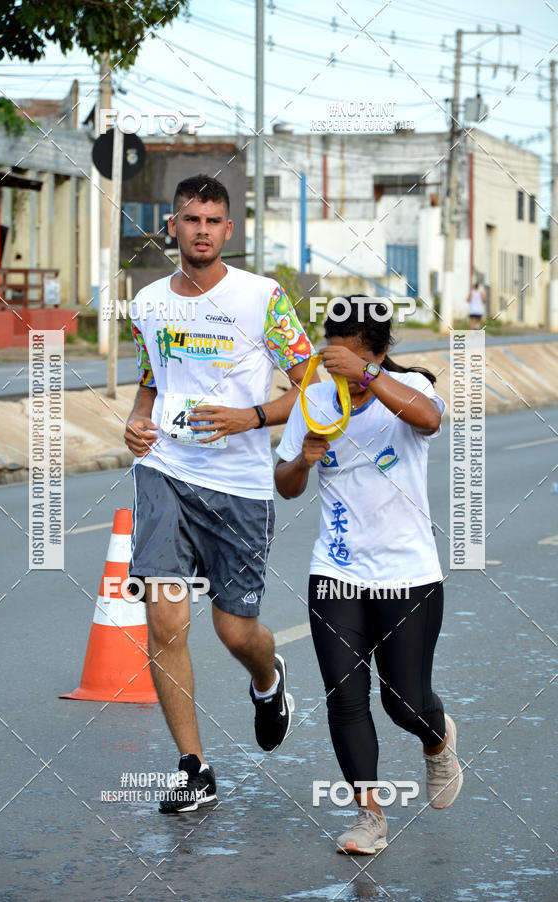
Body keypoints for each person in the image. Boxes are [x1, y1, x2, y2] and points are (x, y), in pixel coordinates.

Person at [123, 174, 315, 813]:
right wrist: (137, 417)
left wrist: (252, 418)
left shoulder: (262, 299)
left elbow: (312, 389)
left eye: (212, 220)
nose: (200, 230)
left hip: (238, 485)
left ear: (228, 230)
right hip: (165, 472)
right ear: (171, 226)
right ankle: (193, 768)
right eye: (189, 219)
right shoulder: (148, 302)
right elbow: (153, 373)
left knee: (237, 632)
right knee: (164, 618)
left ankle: (268, 679)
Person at [274, 298, 462, 854]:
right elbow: (285, 486)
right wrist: (303, 458)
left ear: (379, 354)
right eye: (339, 365)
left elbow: (431, 420)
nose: (347, 381)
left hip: (408, 574)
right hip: (336, 572)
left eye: (358, 364)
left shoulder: (411, 393)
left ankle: (437, 739)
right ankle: (368, 816)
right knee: (345, 698)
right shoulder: (314, 400)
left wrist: (371, 378)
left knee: (403, 702)